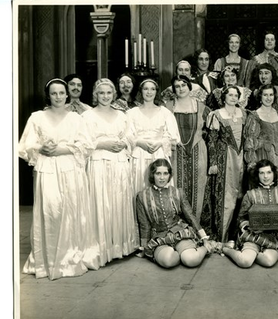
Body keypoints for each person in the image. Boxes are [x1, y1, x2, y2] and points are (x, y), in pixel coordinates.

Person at [18, 78, 100, 280]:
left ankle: (70, 257)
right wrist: (40, 148)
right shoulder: (37, 117)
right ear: (48, 95)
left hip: (70, 167)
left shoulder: (76, 119)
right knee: (51, 209)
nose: (58, 97)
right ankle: (48, 260)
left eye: (61, 93)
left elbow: (87, 144)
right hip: (47, 169)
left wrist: (63, 149)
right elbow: (24, 146)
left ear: (67, 94)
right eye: (54, 93)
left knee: (70, 210)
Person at [82, 78, 138, 266]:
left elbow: (131, 135)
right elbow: (82, 141)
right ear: (95, 95)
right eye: (101, 93)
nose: (105, 96)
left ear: (113, 94)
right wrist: (102, 143)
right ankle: (101, 247)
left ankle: (119, 245)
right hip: (98, 162)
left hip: (119, 162)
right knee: (101, 200)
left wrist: (123, 142)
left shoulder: (122, 115)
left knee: (118, 199)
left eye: (108, 93)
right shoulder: (87, 116)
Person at [136, 159, 218, 268]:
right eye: (158, 173)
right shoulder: (142, 197)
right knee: (168, 261)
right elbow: (144, 224)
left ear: (169, 175)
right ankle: (181, 253)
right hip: (159, 238)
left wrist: (204, 239)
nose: (162, 177)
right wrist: (144, 246)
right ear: (152, 175)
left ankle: (207, 247)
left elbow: (190, 216)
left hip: (179, 233)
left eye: (165, 173)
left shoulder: (177, 192)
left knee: (191, 260)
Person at [221, 159, 278, 268]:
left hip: (274, 237)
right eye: (262, 173)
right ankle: (226, 249)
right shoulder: (250, 195)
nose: (266, 176)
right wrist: (251, 226)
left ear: (274, 174)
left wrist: (277, 226)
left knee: (268, 262)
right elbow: (241, 219)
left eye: (269, 172)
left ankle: (253, 254)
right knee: (245, 262)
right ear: (257, 175)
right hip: (253, 236)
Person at [200, 85, 247, 243]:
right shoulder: (216, 114)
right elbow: (212, 140)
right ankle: (222, 236)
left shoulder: (244, 114)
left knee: (240, 194)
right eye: (230, 95)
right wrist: (213, 162)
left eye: (236, 95)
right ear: (224, 97)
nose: (233, 98)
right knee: (226, 196)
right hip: (224, 157)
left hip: (242, 158)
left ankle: (237, 236)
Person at [165, 75, 211, 220]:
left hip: (198, 151)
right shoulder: (166, 107)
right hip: (174, 152)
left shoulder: (202, 108)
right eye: (177, 86)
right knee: (176, 186)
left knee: (198, 187)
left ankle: (197, 227)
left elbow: (212, 134)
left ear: (189, 87)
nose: (181, 88)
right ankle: (178, 226)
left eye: (184, 85)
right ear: (173, 90)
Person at [126, 79, 181, 196]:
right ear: (141, 91)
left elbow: (173, 136)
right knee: (139, 187)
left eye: (152, 89)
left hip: (159, 154)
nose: (149, 92)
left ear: (156, 92)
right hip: (139, 155)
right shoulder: (131, 113)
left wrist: (160, 142)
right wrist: (139, 142)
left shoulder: (165, 112)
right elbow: (127, 135)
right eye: (146, 89)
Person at [244, 84, 278, 189]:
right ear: (260, 97)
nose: (268, 98)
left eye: (271, 94)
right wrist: (252, 163)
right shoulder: (254, 115)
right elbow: (250, 141)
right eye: (265, 95)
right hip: (262, 155)